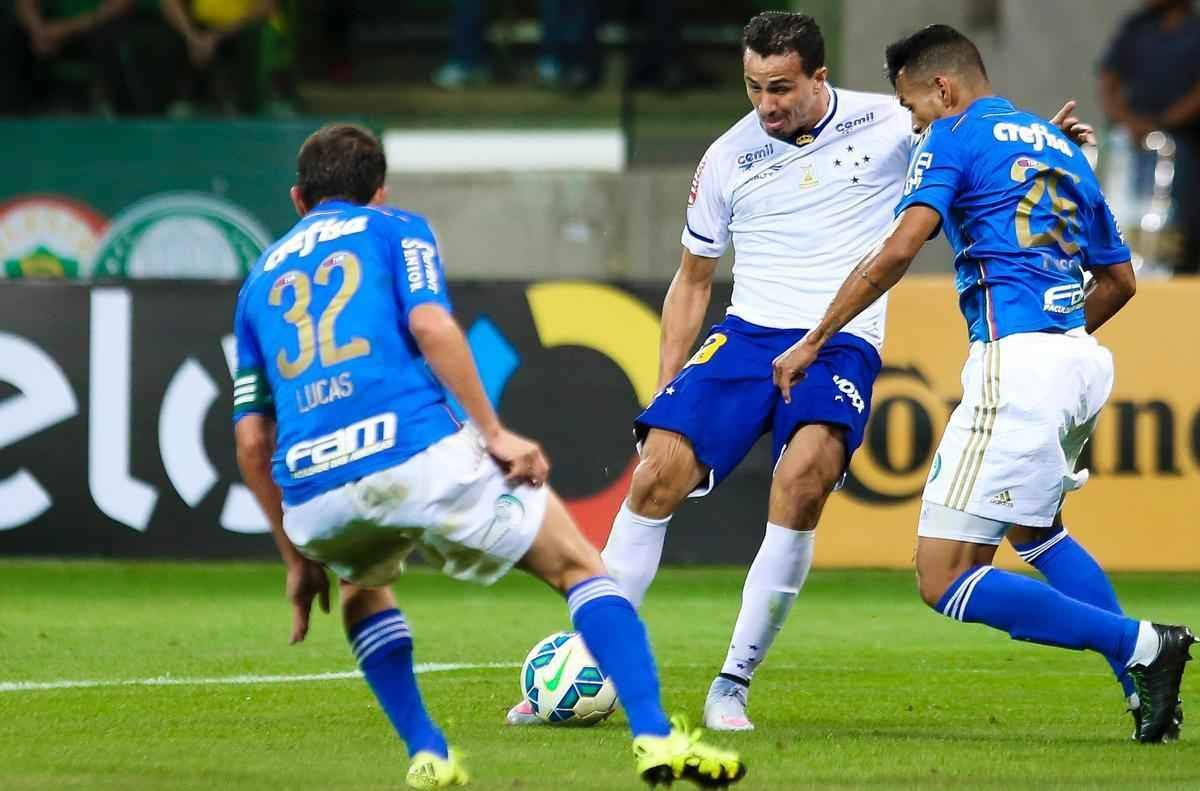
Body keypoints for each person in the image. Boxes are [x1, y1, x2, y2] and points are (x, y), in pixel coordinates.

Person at [505, 10, 1093, 732]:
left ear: (819, 76)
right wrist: (667, 384)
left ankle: (731, 684)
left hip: (840, 339)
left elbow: (976, 139)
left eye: (780, 87)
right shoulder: (727, 156)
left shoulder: (892, 121)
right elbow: (693, 279)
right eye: (753, 87)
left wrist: (1048, 146)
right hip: (747, 334)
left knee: (803, 477)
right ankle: (596, 660)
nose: (766, 104)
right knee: (657, 472)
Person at [231, 123, 745, 788]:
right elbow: (430, 324)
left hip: (313, 493)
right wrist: (494, 432)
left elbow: (252, 441)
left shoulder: (257, 284)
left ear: (298, 199)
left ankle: (428, 753)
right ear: (379, 191)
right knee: (578, 565)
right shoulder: (395, 228)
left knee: (361, 586)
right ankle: (655, 737)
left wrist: (295, 558)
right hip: (411, 449)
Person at [771, 24, 1194, 744]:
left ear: (943, 88)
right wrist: (1053, 335)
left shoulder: (953, 134)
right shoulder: (1057, 144)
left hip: (1019, 363)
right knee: (1036, 533)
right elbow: (1121, 280)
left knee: (943, 576)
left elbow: (901, 247)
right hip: (1078, 358)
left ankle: (1143, 645)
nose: (914, 125)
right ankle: (1143, 688)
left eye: (913, 107)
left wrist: (816, 337)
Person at [1098, 0, 1200, 274]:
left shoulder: (1195, 31)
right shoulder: (1136, 27)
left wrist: (1162, 123)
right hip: (1132, 142)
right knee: (1120, 213)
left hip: (1181, 144)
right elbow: (1108, 79)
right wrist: (1126, 119)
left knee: (1177, 222)